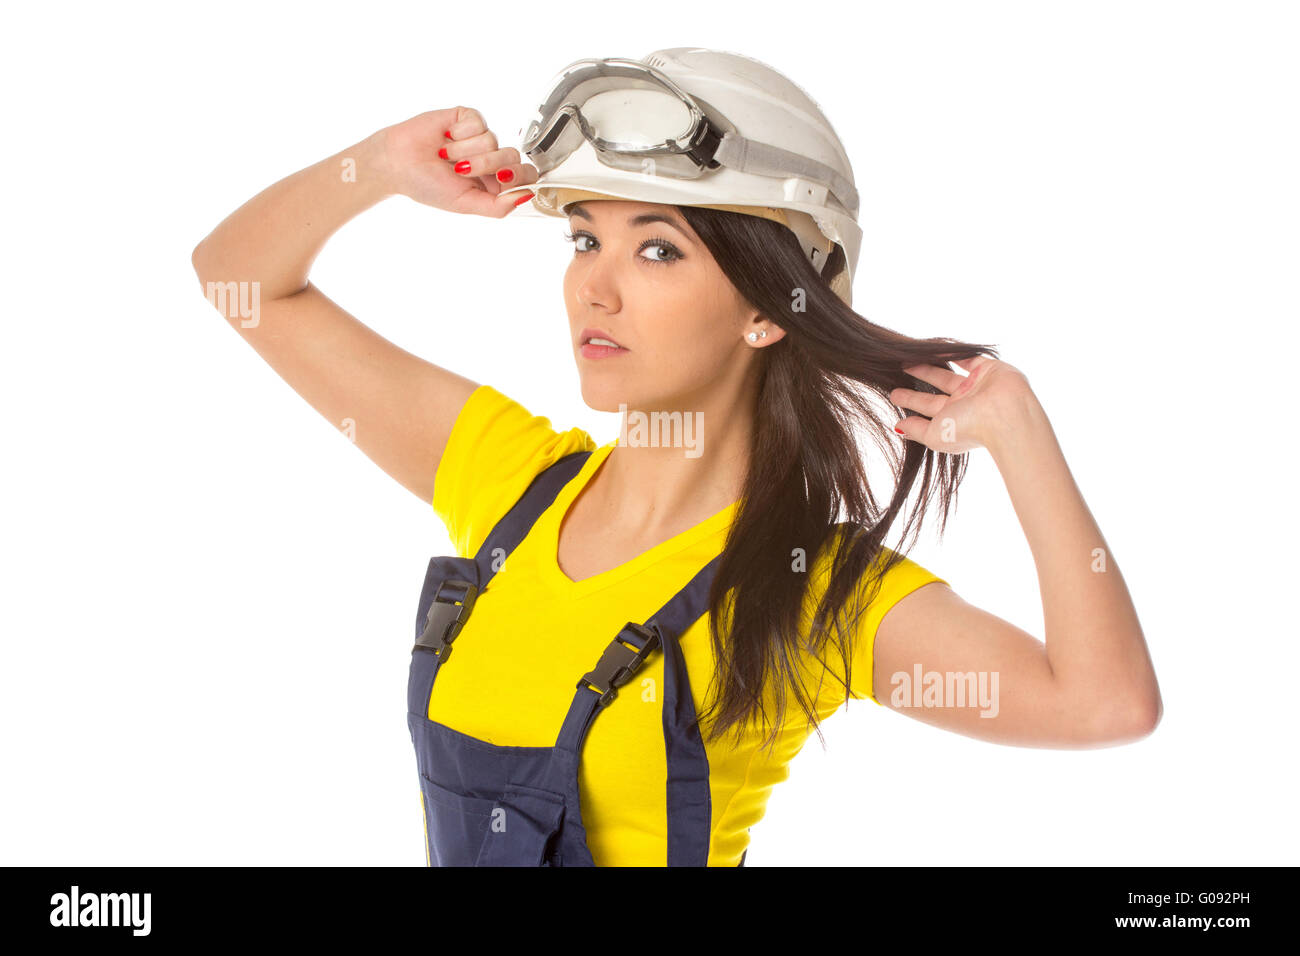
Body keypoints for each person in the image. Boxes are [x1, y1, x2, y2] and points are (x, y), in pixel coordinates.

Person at [191, 48, 1162, 866]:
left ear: (766, 306)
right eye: (582, 240)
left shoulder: (810, 594)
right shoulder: (508, 478)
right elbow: (238, 281)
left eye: (657, 251)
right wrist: (375, 168)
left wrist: (1022, 438)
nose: (593, 290)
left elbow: (1102, 703)